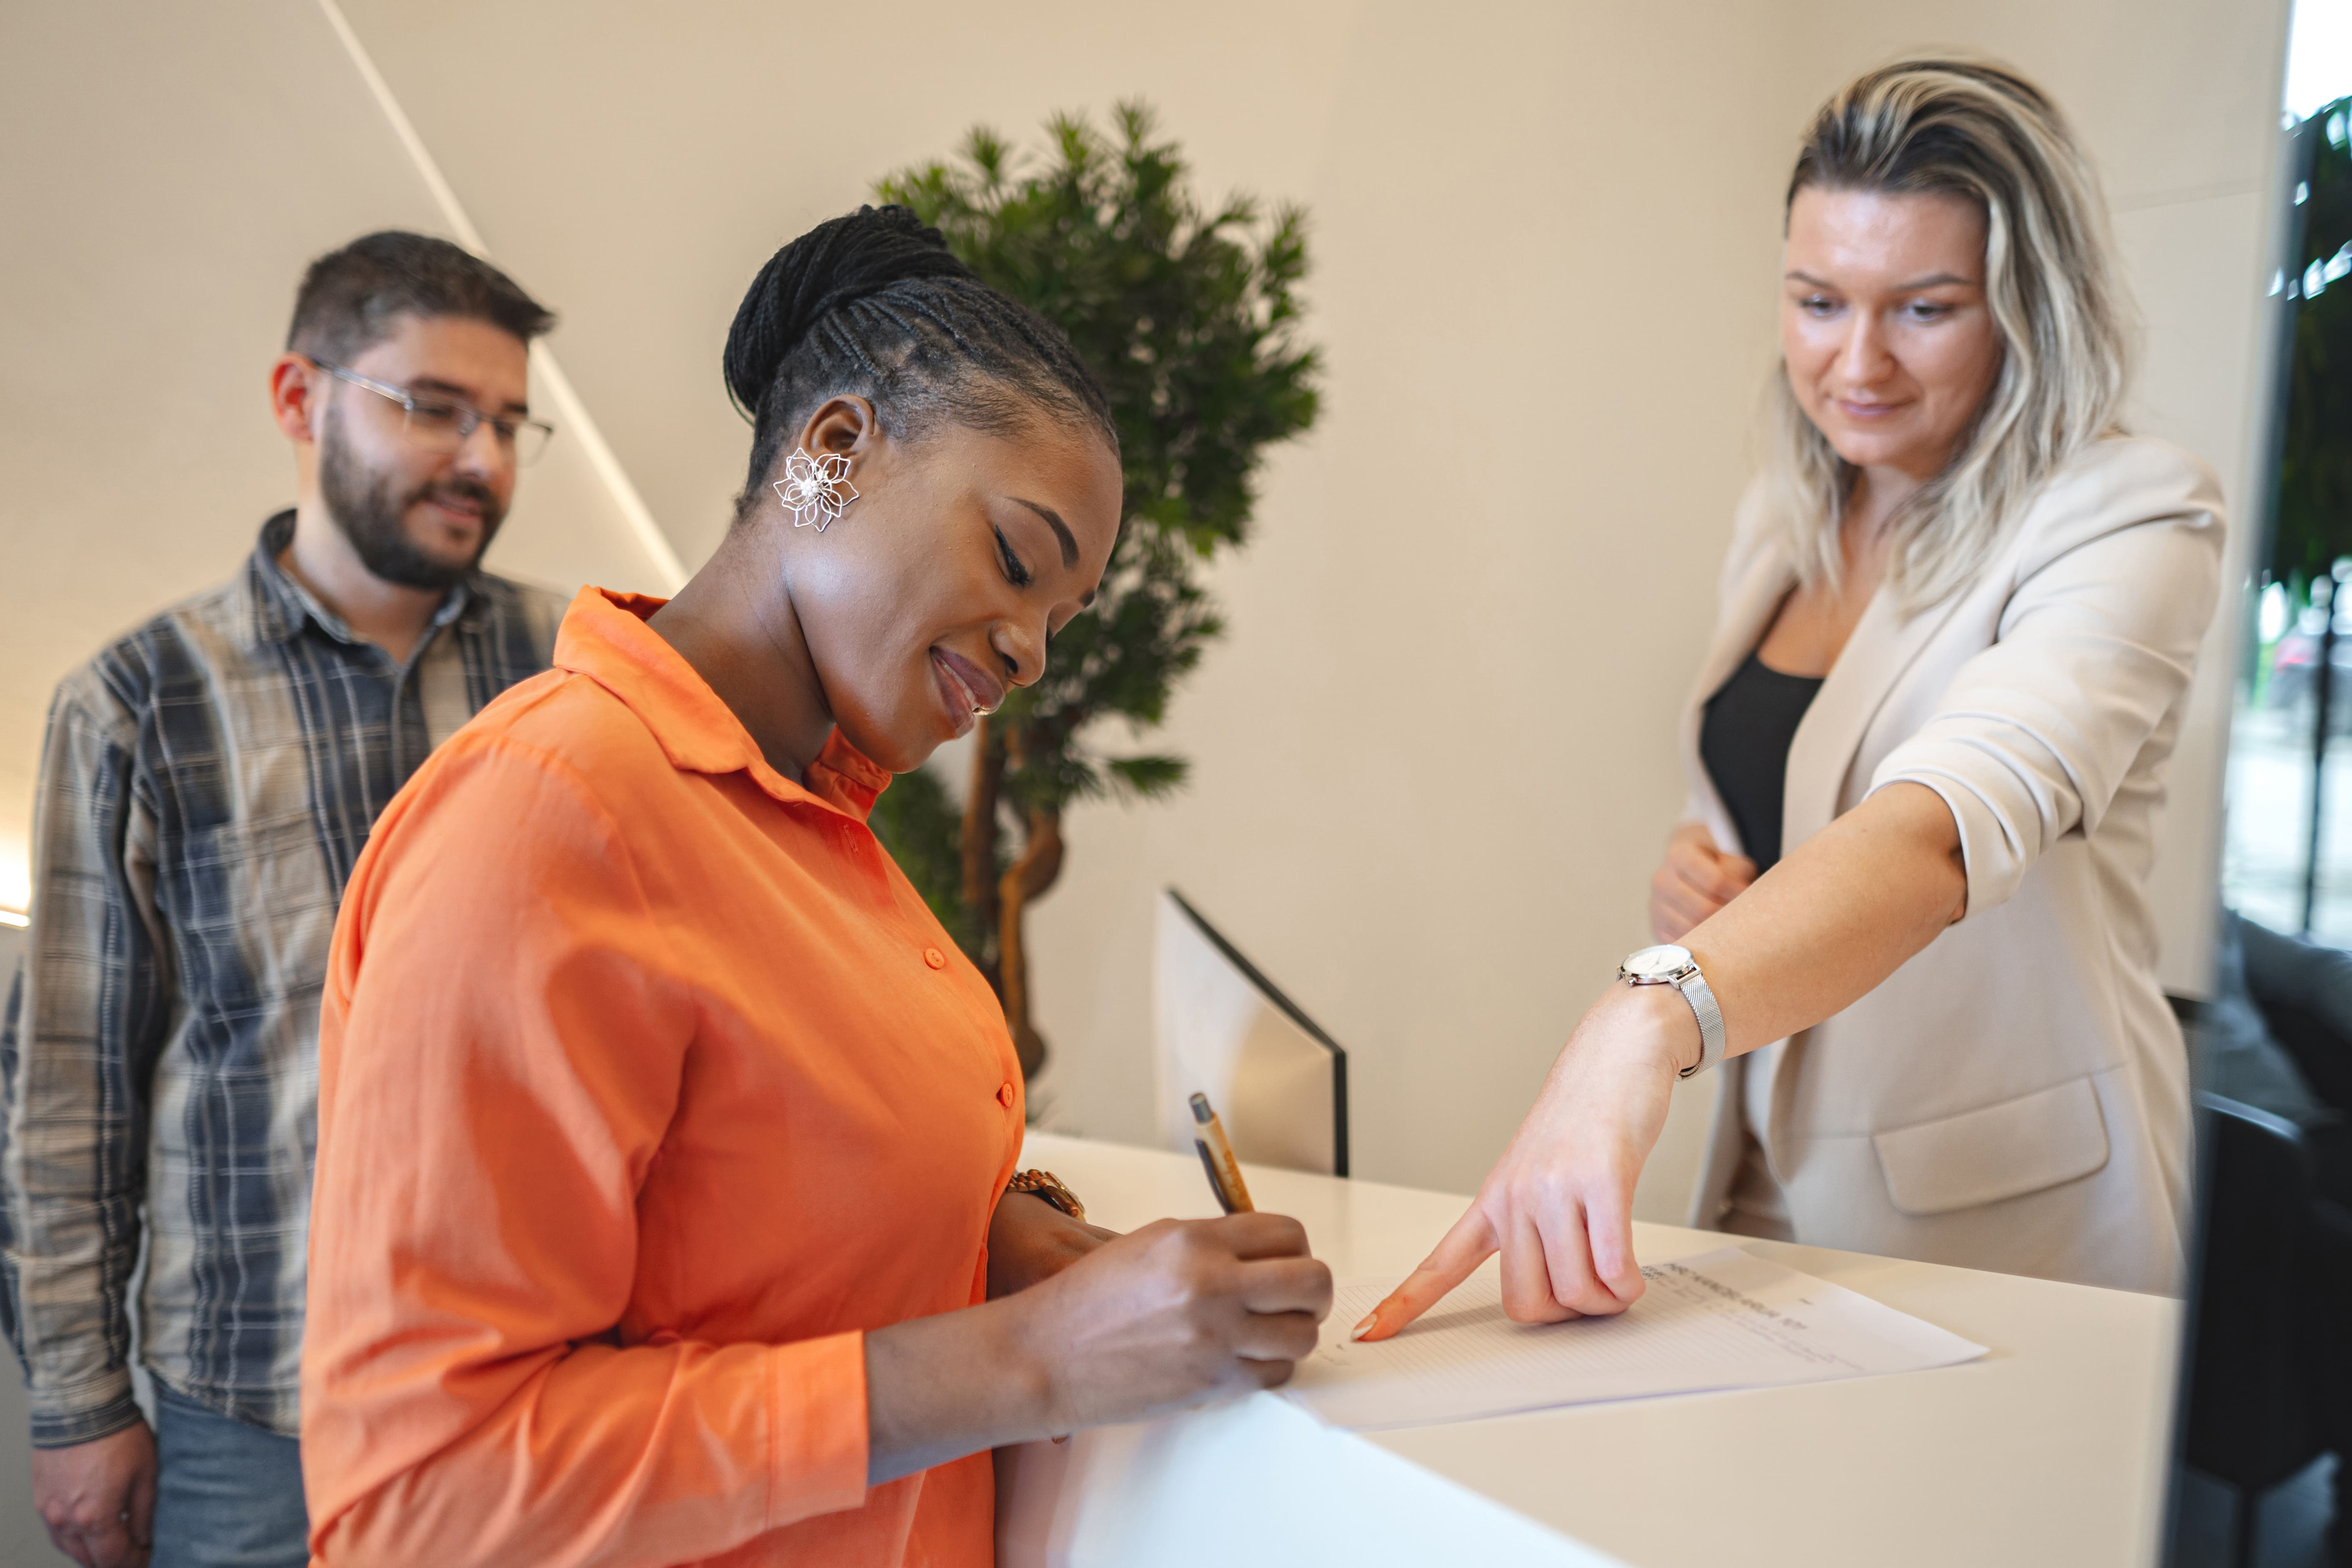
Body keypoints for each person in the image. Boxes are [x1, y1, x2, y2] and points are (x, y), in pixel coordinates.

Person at [298, 206, 1333, 1567]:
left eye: (1061, 624)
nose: (1029, 651)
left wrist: (1003, 1243)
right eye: (1017, 563)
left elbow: (756, 1238)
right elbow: (423, 1503)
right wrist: (1025, 1358)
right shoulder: (555, 816)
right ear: (834, 449)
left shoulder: (814, 827)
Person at [1360, 58, 2226, 1343]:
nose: (1856, 360)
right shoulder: (1791, 507)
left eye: (1924, 309)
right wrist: (1697, 881)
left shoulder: (2129, 512)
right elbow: (1785, 784)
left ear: (2024, 308)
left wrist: (1646, 1010)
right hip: (1764, 1178)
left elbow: (1938, 824)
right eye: (1818, 300)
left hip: (2005, 1220)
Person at [1, 232, 568, 1568]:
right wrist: (78, 1405)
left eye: (506, 421)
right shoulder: (132, 704)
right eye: (434, 406)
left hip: (538, 1387)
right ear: (299, 400)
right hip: (253, 1418)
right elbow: (66, 1100)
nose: (482, 461)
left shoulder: (575, 669)